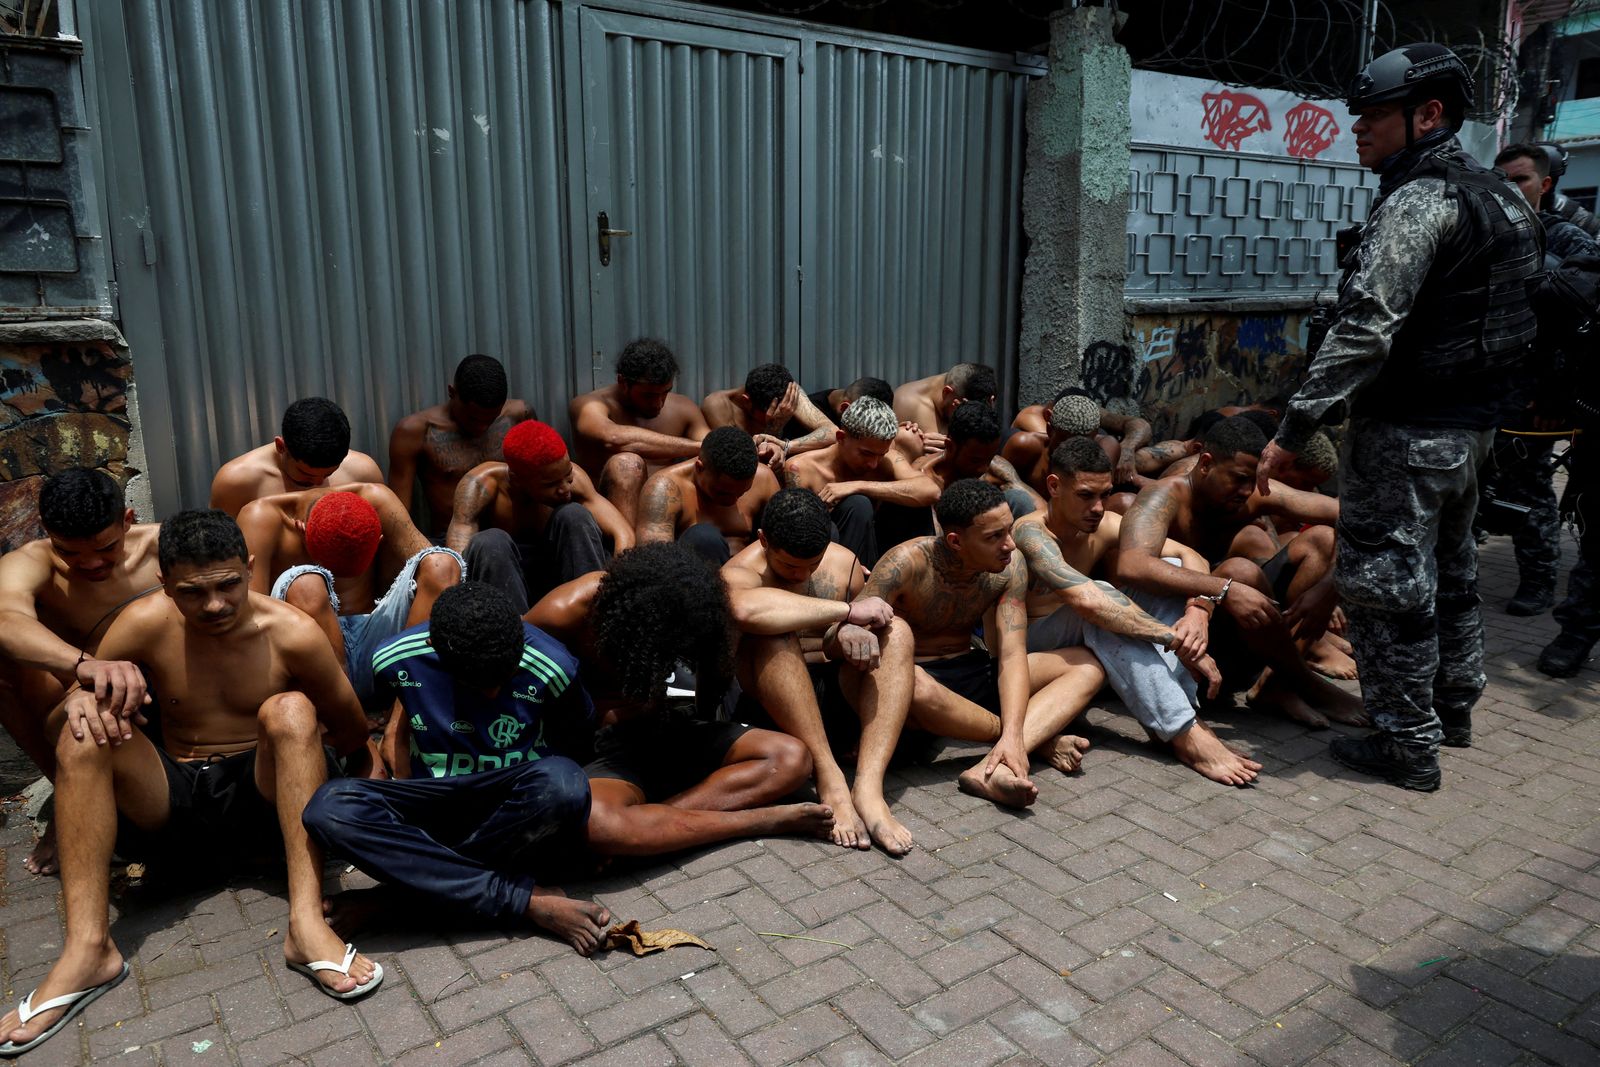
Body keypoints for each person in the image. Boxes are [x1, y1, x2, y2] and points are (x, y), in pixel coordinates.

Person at [1256, 45, 1541, 790]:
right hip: (1474, 430)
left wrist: (1294, 429)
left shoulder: (1420, 200)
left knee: (1386, 585)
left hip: (1411, 431)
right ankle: (1454, 709)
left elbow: (1366, 327)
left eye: (1375, 115)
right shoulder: (1505, 196)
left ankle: (1406, 743)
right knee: (1450, 570)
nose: (1360, 128)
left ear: (1429, 114)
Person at [0, 510, 379, 1058]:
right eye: (193, 593)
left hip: (259, 801)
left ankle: (306, 924)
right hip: (172, 804)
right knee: (85, 730)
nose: (216, 605)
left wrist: (364, 799)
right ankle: (89, 950)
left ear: (249, 569)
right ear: (163, 583)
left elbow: (348, 729)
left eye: (228, 585)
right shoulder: (142, 622)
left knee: (292, 710)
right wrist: (81, 697)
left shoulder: (290, 631)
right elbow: (65, 715)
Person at [304, 582, 613, 956]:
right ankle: (525, 901)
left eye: (505, 677)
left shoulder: (553, 664)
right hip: (433, 805)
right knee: (330, 807)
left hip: (510, 813)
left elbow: (576, 744)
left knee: (565, 784)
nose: (493, 694)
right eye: (475, 683)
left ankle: (394, 901)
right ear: (437, 653)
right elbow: (354, 727)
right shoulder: (394, 659)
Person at [528, 543, 835, 856]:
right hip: (599, 751)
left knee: (791, 758)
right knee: (599, 823)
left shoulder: (687, 605)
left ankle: (653, 824)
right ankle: (756, 821)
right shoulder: (566, 611)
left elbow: (718, 661)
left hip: (666, 729)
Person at [1013, 438, 1260, 785]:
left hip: (1083, 635)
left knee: (1170, 570)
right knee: (1101, 598)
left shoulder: (1105, 523)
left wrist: (1197, 613)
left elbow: (1193, 560)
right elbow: (1087, 601)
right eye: (1086, 495)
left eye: (1104, 494)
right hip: (1029, 648)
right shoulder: (1031, 532)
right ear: (1054, 487)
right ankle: (1183, 731)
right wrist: (1172, 638)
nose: (1098, 507)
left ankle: (1183, 713)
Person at [851, 479, 1109, 810]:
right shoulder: (905, 563)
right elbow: (854, 625)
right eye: (994, 537)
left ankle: (995, 763)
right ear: (956, 541)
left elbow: (1013, 653)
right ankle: (1033, 743)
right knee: (915, 686)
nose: (1010, 545)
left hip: (970, 669)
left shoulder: (1008, 565)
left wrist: (1014, 734)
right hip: (915, 681)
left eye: (1008, 530)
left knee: (1086, 665)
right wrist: (1014, 734)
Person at [1121, 417, 1365, 728]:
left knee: (1320, 541)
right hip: (1186, 638)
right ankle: (1310, 685)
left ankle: (1276, 686)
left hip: (1243, 629)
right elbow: (1132, 564)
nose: (1247, 490)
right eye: (1238, 479)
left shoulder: (1254, 492)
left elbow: (1351, 517)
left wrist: (1329, 589)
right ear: (1206, 464)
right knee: (1240, 572)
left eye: (1253, 479)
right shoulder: (1165, 496)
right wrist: (1225, 587)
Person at [722, 488, 909, 853]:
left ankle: (869, 789)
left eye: (812, 564)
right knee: (772, 636)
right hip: (769, 714)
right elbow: (746, 612)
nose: (802, 574)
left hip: (832, 695)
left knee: (897, 632)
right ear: (763, 540)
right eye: (791, 565)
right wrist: (845, 613)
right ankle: (831, 778)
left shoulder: (843, 563)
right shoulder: (738, 573)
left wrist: (850, 632)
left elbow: (863, 626)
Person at [0, 470, 160, 876]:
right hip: (80, 700)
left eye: (106, 547)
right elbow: (5, 619)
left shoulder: (164, 546)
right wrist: (85, 666)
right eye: (69, 552)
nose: (89, 563)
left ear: (128, 519)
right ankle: (65, 793)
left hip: (174, 697)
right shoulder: (33, 562)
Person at [238, 484, 462, 728]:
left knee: (443, 565)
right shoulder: (262, 518)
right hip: (312, 658)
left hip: (381, 647)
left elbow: (442, 592)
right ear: (302, 531)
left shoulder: (378, 501)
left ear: (378, 539)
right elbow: (251, 621)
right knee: (305, 586)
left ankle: (404, 714)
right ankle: (346, 719)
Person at [1483, 143, 1597, 616]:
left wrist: (1556, 393)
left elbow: (1580, 315)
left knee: (1528, 488)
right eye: (1501, 179)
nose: (1509, 188)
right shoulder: (1482, 234)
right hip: (1479, 386)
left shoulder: (1566, 238)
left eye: (1521, 179)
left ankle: (1537, 580)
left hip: (1534, 393)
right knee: (1475, 483)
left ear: (1544, 184)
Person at [448, 420, 631, 613]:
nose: (565, 489)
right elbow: (457, 560)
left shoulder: (574, 478)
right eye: (551, 484)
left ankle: (594, 615)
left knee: (574, 515)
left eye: (567, 476)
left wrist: (617, 584)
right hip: (503, 585)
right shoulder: (481, 485)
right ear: (516, 479)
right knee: (490, 541)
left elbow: (623, 534)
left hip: (559, 581)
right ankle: (513, 635)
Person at [386, 355, 535, 537]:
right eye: (472, 418)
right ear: (452, 392)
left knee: (570, 516)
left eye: (491, 419)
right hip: (450, 541)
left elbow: (544, 480)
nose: (481, 427)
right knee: (492, 542)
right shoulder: (416, 431)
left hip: (513, 537)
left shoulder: (518, 415)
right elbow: (398, 517)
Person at [781, 396, 939, 566]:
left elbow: (931, 490)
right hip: (829, 557)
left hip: (879, 549)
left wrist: (858, 486)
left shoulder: (887, 461)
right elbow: (798, 533)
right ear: (841, 437)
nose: (873, 464)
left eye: (881, 455)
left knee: (914, 503)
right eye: (866, 454)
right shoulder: (800, 469)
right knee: (857, 505)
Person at [569, 339, 711, 527]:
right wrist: (700, 447)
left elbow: (713, 447)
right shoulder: (589, 405)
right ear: (623, 382)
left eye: (665, 392)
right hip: (607, 518)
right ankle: (629, 554)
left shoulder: (683, 408)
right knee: (627, 465)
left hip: (665, 512)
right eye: (649, 395)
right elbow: (613, 438)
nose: (659, 403)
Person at [210, 397, 384, 517]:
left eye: (328, 474)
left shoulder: (363, 472)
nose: (318, 483)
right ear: (281, 446)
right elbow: (222, 557)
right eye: (306, 474)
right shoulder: (236, 481)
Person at [636, 426, 779, 565]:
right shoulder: (665, 488)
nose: (732, 501)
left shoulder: (764, 479)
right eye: (722, 492)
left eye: (742, 493)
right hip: (693, 581)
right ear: (699, 467)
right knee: (704, 538)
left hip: (749, 578)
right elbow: (653, 562)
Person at [1011, 385, 1153, 487]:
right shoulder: (1032, 423)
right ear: (1050, 419)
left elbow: (1140, 425)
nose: (1072, 451)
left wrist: (1127, 449)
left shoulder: (1087, 414)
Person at [701, 363, 839, 465]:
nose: (779, 414)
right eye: (770, 414)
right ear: (747, 402)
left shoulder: (788, 393)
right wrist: (774, 427)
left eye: (783, 412)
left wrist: (786, 446)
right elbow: (739, 458)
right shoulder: (719, 405)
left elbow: (833, 433)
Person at [892, 362, 999, 451]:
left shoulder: (972, 398)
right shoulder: (911, 402)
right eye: (961, 408)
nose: (966, 415)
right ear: (947, 392)